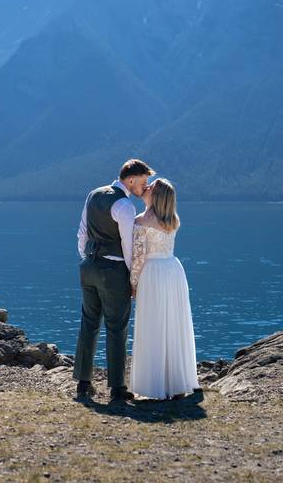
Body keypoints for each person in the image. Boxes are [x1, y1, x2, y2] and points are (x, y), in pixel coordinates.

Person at [73, 158, 154, 401]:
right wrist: (132, 277)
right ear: (130, 180)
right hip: (113, 269)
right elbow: (128, 246)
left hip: (88, 266)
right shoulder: (124, 205)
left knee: (89, 323)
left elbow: (82, 233)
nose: (143, 188)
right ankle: (117, 387)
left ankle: (83, 383)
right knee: (117, 326)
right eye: (142, 182)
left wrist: (89, 258)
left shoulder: (93, 195)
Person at [129, 178, 199, 400]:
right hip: (173, 270)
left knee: (153, 325)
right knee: (174, 324)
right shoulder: (173, 220)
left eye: (151, 187)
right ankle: (177, 383)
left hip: (152, 273)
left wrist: (133, 284)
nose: (146, 188)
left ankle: (154, 385)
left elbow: (138, 258)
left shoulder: (141, 221)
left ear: (156, 196)